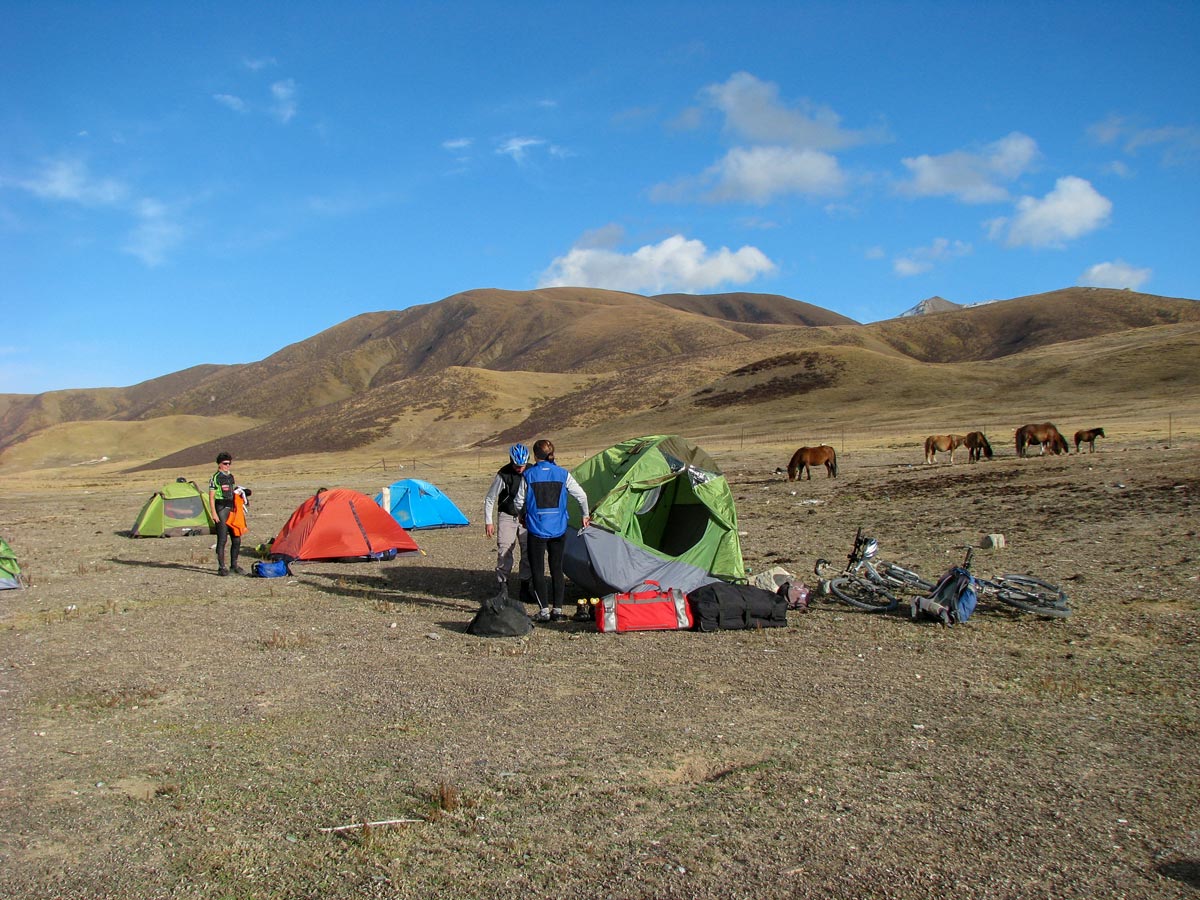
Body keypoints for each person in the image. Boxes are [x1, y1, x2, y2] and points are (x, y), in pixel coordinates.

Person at [514, 439, 591, 622]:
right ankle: (558, 610)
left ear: (535, 455)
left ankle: (544, 611)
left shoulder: (528, 475)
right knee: (557, 568)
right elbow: (581, 495)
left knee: (538, 570)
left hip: (536, 528)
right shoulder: (563, 474)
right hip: (558, 528)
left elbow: (518, 501)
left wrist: (521, 515)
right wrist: (585, 514)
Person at [482, 444, 532, 607]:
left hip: (527, 516)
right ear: (511, 461)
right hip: (507, 515)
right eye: (517, 466)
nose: (520, 469)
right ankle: (503, 588)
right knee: (504, 550)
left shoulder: (532, 471)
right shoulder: (503, 474)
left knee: (528, 551)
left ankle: (525, 587)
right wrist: (488, 521)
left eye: (522, 466)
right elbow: (490, 498)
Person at [207, 451, 243, 576]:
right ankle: (221, 567)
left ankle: (234, 565)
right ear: (219, 464)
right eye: (225, 463)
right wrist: (214, 513)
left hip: (231, 507)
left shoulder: (230, 476)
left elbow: (232, 491)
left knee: (236, 539)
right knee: (222, 539)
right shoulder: (215, 478)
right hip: (221, 508)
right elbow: (211, 497)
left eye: (229, 463)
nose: (227, 466)